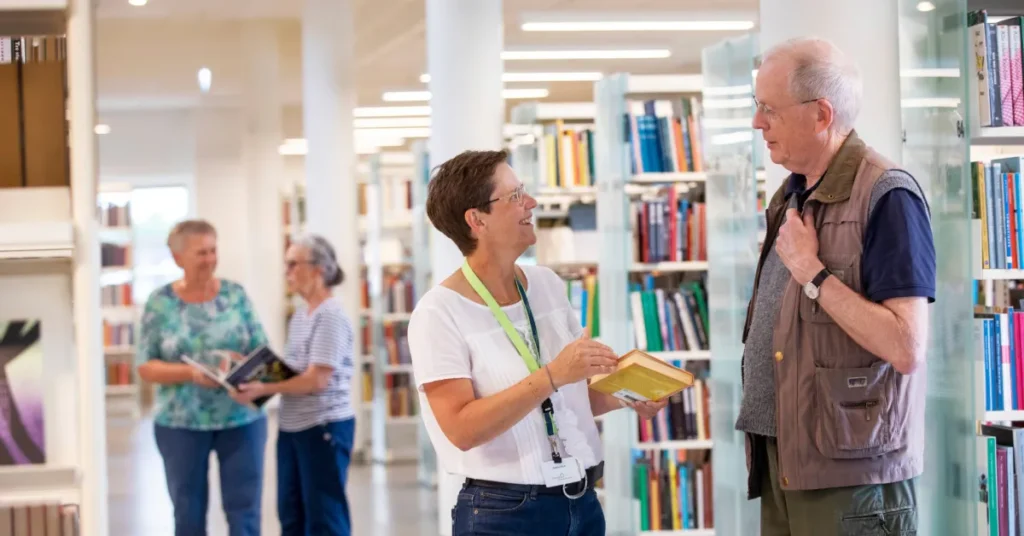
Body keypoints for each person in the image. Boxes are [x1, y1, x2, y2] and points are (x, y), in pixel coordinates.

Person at [407, 149, 669, 535]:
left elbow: (568, 398)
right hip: (504, 515)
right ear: (476, 220)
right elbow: (462, 430)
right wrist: (553, 374)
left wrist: (627, 395)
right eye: (515, 196)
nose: (530, 202)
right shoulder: (438, 312)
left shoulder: (546, 285)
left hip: (582, 503)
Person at [736, 36, 936, 535]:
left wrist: (814, 273)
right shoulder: (790, 195)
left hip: (851, 477)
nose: (758, 122)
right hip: (788, 459)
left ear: (821, 115)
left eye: (769, 109)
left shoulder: (888, 194)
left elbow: (906, 347)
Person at [136, 219, 269, 536]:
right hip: (180, 425)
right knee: (188, 514)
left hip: (241, 420)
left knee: (245, 515)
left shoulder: (236, 295)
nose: (210, 259)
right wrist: (192, 374)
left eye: (213, 250)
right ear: (178, 257)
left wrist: (241, 366)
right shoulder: (160, 303)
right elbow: (146, 366)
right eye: (201, 253)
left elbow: (262, 351)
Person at [231, 234, 356, 536]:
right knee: (291, 513)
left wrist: (263, 389)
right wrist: (249, 369)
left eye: (293, 264)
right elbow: (293, 371)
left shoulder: (331, 316)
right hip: (293, 427)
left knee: (324, 518)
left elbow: (317, 380)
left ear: (318, 269)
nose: (286, 272)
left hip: (322, 426)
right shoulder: (301, 314)